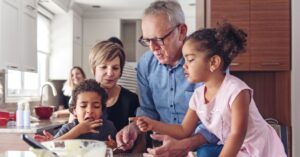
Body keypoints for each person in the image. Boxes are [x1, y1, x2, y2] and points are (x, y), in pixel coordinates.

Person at [135, 23, 287, 157]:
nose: (184, 65)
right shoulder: (198, 96)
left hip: (260, 149)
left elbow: (237, 134)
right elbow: (183, 130)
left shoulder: (237, 91)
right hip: (237, 149)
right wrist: (153, 124)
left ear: (213, 62)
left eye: (190, 59)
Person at [116, 1, 220, 157]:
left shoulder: (207, 63)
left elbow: (219, 121)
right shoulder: (146, 64)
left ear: (182, 31)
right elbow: (148, 110)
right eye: (147, 40)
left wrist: (185, 146)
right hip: (163, 147)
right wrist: (135, 128)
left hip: (206, 148)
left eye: (158, 39)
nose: (153, 48)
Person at [35, 79, 117, 142]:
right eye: (83, 106)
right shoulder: (69, 128)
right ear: (74, 111)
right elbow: (54, 145)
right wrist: (78, 130)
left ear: (102, 110)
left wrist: (114, 146)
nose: (89, 110)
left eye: (96, 106)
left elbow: (119, 147)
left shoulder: (109, 127)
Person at [89, 40, 140, 132]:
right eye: (104, 67)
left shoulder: (131, 100)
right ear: (93, 69)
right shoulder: (82, 97)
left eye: (115, 68)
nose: (110, 73)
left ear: (121, 70)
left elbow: (140, 141)